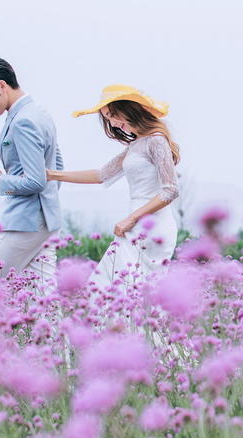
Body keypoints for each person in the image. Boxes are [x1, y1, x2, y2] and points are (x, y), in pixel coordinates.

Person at [47, 84, 179, 292]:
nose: (113, 123)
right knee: (110, 288)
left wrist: (132, 218)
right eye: (107, 118)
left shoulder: (156, 140)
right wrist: (52, 174)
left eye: (112, 115)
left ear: (128, 109)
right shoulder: (136, 145)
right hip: (134, 225)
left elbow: (170, 190)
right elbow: (101, 175)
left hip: (153, 227)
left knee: (122, 290)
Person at [0, 57, 64, 289]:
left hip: (24, 221)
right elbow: (57, 167)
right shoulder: (40, 113)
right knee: (42, 302)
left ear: (1, 85)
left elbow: (36, 180)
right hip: (47, 220)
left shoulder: (23, 121)